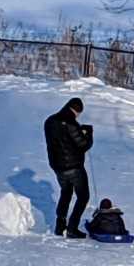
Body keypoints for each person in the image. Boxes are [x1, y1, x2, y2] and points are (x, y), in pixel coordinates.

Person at [43, 96, 93, 237]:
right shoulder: (72, 124)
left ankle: (60, 226)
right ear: (77, 111)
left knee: (66, 192)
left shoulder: (50, 121)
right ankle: (72, 228)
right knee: (83, 197)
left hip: (57, 167)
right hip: (74, 167)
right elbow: (83, 145)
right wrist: (88, 133)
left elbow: (60, 140)